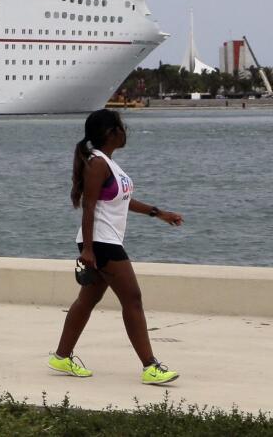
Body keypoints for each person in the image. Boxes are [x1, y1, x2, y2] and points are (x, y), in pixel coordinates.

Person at [48, 109, 184, 385]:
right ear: (111, 133)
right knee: (132, 298)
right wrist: (88, 249)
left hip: (102, 241)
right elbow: (89, 205)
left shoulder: (109, 164)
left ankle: (61, 356)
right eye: (122, 127)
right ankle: (150, 366)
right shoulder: (98, 163)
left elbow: (121, 201)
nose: (125, 131)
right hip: (101, 242)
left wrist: (159, 213)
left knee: (87, 300)